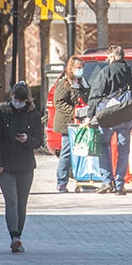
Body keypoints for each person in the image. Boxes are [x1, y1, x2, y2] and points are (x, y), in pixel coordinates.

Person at [0, 82, 45, 253]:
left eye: (21, 100)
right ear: (11, 96)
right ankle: (14, 236)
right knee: (11, 201)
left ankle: (18, 234)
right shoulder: (3, 114)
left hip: (25, 165)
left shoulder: (34, 115)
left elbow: (39, 141)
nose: (17, 102)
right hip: (6, 165)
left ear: (27, 99)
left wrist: (27, 139)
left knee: (22, 203)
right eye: (15, 99)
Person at [86, 45, 132, 195]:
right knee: (123, 149)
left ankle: (107, 182)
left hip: (107, 116)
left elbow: (96, 94)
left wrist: (90, 114)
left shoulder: (106, 71)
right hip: (125, 115)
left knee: (104, 145)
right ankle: (120, 184)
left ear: (112, 57)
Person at [52, 56, 87, 193]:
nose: (80, 71)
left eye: (81, 68)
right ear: (71, 69)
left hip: (81, 122)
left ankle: (83, 179)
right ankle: (61, 182)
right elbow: (58, 102)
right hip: (67, 122)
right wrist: (75, 112)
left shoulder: (83, 83)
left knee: (83, 151)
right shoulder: (64, 83)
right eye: (77, 68)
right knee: (66, 152)